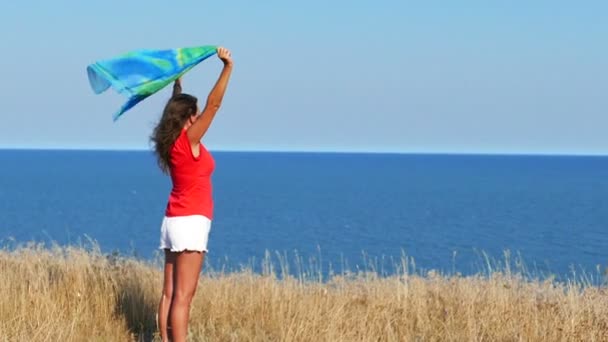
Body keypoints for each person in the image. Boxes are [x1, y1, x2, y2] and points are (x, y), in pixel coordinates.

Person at [151, 47, 233, 342]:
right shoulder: (188, 141)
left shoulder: (171, 143)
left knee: (169, 293)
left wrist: (178, 80)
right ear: (189, 117)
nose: (199, 116)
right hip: (190, 222)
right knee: (184, 297)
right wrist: (227, 67)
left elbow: (181, 106)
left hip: (173, 219)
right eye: (194, 113)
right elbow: (214, 105)